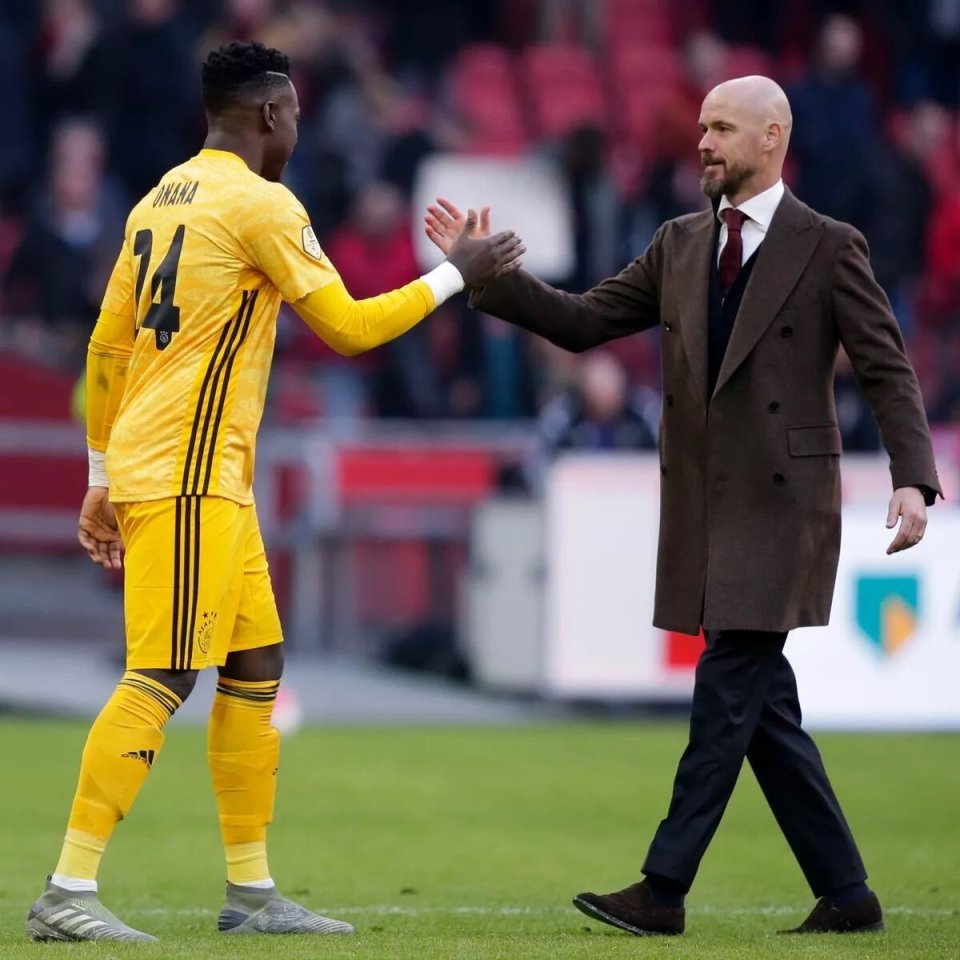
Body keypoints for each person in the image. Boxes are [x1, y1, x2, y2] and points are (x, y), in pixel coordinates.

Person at [27, 40, 523, 943]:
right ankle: (69, 888)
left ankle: (250, 892)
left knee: (255, 665)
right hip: (189, 473)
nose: (296, 129)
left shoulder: (158, 197)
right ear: (268, 114)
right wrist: (460, 274)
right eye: (293, 114)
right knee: (164, 672)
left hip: (195, 471)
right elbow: (349, 328)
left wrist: (100, 474)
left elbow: (106, 347)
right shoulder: (262, 204)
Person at [424, 74, 940, 937]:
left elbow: (887, 366)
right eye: (702, 127)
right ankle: (848, 894)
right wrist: (490, 278)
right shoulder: (678, 243)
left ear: (772, 138)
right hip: (707, 505)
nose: (702, 142)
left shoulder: (829, 245)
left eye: (722, 128)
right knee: (763, 709)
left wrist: (912, 477)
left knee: (726, 689)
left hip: (785, 508)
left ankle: (663, 887)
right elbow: (582, 321)